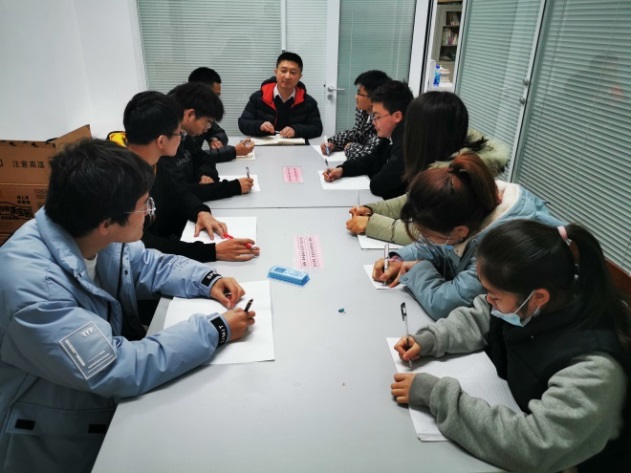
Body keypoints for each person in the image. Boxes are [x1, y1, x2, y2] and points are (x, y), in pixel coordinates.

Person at [0, 139, 256, 473]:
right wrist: (215, 330)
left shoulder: (87, 227)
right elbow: (117, 367)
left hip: (93, 405)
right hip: (55, 437)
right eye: (143, 205)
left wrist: (206, 279)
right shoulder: (35, 293)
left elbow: (148, 264)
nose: (149, 212)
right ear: (107, 222)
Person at [391, 219, 631, 472]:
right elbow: (483, 314)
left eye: (495, 296)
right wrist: (433, 338)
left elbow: (532, 446)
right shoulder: (537, 299)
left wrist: (437, 396)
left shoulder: (594, 370)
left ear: (539, 297)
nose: (489, 301)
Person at [373, 152, 562, 320]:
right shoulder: (469, 204)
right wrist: (399, 260)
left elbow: (446, 304)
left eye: (428, 234)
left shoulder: (502, 246)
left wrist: (417, 269)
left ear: (460, 231)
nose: (425, 238)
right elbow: (437, 246)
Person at [346, 91, 509, 244]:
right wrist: (372, 210)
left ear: (424, 134)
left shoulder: (456, 180)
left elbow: (430, 233)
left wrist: (371, 224)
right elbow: (412, 199)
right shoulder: (447, 163)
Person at [123, 91, 259, 262]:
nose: (182, 138)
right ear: (161, 141)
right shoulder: (124, 183)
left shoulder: (153, 163)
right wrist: (212, 252)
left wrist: (200, 212)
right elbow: (143, 244)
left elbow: (178, 192)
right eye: (179, 134)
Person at [163, 82, 254, 200]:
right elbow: (178, 192)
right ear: (190, 114)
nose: (207, 129)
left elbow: (205, 159)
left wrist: (206, 174)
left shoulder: (184, 135)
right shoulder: (164, 144)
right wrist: (233, 187)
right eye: (207, 122)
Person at [323, 80, 413, 199]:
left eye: (377, 117)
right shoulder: (391, 137)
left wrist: (373, 170)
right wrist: (343, 170)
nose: (373, 122)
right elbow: (370, 160)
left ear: (397, 116)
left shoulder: (406, 145)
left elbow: (378, 185)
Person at [238, 51, 323, 139]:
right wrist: (259, 125)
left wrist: (296, 130)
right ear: (276, 72)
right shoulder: (258, 97)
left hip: (295, 145)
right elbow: (243, 123)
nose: (287, 76)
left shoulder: (309, 102)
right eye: (283, 71)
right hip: (265, 143)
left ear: (300, 76)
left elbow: (317, 128)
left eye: (293, 72)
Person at [320, 70, 391, 160]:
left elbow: (371, 153)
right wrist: (333, 143)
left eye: (359, 94)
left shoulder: (383, 119)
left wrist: (350, 147)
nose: (356, 97)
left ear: (373, 98)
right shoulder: (363, 111)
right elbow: (357, 134)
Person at [188, 67, 255, 161]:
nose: (217, 101)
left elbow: (219, 132)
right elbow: (192, 158)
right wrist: (234, 151)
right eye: (215, 95)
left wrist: (214, 139)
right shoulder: (176, 119)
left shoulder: (202, 112)